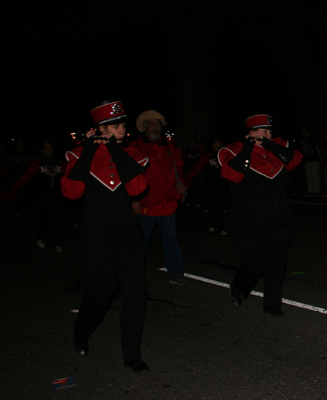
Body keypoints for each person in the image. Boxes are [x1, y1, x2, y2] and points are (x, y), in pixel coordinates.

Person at [61, 101, 150, 374]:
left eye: (122, 126)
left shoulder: (132, 154)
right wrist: (90, 148)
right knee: (101, 292)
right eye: (115, 126)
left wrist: (113, 148)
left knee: (136, 294)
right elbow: (71, 192)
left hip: (128, 233)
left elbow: (138, 188)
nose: (121, 130)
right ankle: (81, 331)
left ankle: (132, 355)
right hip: (96, 234)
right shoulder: (79, 155)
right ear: (100, 128)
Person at [218, 114, 302, 316]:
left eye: (269, 131)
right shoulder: (234, 150)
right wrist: (249, 147)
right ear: (250, 133)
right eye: (262, 131)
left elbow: (294, 160)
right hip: (249, 219)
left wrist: (270, 145)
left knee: (277, 263)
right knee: (254, 264)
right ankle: (239, 285)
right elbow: (232, 174)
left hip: (279, 218)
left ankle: (272, 305)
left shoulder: (278, 148)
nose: (267, 135)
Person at [128, 110, 189, 285]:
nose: (155, 127)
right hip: (145, 204)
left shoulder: (170, 147)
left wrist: (181, 183)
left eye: (157, 124)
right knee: (140, 243)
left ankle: (176, 272)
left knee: (171, 239)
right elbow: (129, 174)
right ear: (144, 127)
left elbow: (178, 167)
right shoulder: (135, 147)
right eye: (151, 124)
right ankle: (134, 274)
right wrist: (134, 197)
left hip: (167, 203)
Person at [2, 140, 68, 252]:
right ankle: (39, 237)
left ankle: (57, 243)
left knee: (58, 219)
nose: (49, 150)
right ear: (42, 150)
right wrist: (14, 189)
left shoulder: (58, 162)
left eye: (51, 148)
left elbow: (68, 174)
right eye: (46, 148)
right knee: (43, 218)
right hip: (42, 196)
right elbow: (26, 176)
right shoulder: (38, 163)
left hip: (57, 195)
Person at [299, 127, 322, 196]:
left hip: (314, 159)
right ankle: (310, 190)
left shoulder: (312, 139)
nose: (302, 132)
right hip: (307, 160)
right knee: (309, 176)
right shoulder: (303, 139)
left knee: (315, 175)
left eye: (303, 130)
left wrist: (320, 158)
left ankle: (316, 190)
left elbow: (317, 149)